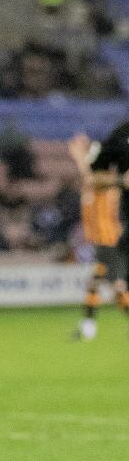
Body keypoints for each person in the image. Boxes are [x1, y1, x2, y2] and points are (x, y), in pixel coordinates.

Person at [68, 131, 129, 339]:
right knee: (106, 285)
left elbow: (91, 178)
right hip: (103, 240)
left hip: (109, 240)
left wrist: (78, 157)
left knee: (116, 287)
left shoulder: (106, 181)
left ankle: (88, 327)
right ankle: (88, 327)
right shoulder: (104, 181)